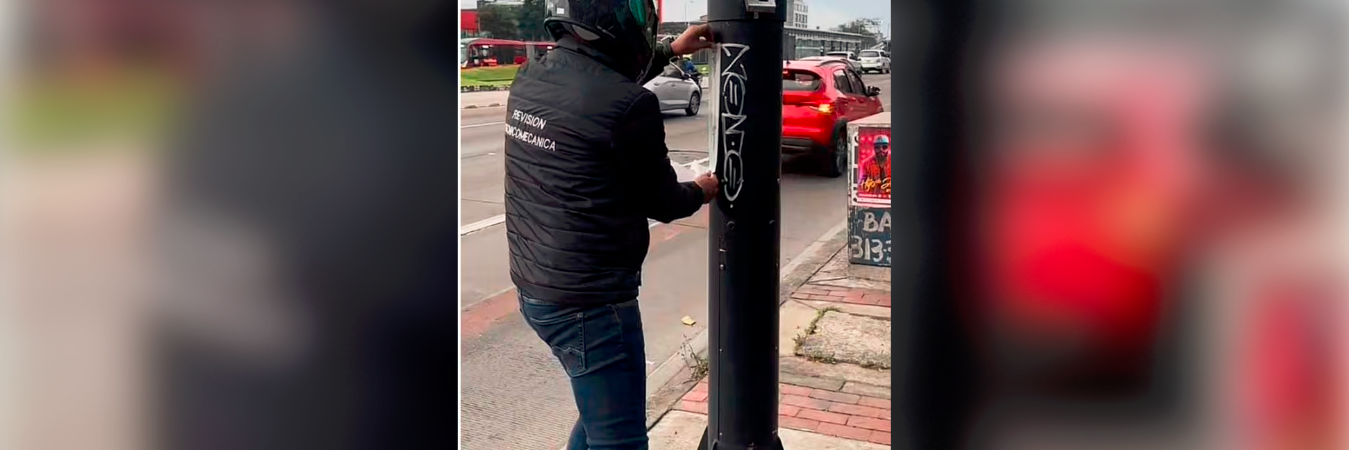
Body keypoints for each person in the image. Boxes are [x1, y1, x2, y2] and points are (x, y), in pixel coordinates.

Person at [502, 1, 718, 449]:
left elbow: (598, 88)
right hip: (591, 303)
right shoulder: (630, 106)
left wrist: (670, 51)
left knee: (599, 416)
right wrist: (704, 188)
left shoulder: (531, 75)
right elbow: (665, 201)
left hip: (535, 286)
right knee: (619, 438)